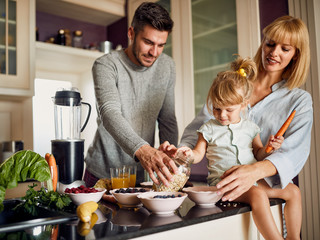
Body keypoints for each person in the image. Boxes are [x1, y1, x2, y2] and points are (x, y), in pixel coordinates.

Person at [161, 15, 312, 239]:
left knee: (293, 193)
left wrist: (257, 167)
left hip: (269, 204)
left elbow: (294, 151)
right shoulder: (231, 86)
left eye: (285, 48)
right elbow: (198, 130)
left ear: (296, 54)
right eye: (270, 43)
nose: (274, 52)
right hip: (232, 194)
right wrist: (183, 155)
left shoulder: (299, 100)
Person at [84, 2, 178, 188]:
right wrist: (144, 151)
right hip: (102, 174)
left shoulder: (167, 66)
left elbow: (167, 119)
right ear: (131, 33)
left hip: (143, 176)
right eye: (148, 42)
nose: (154, 52)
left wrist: (171, 163)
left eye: (161, 45)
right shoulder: (106, 65)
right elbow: (109, 113)